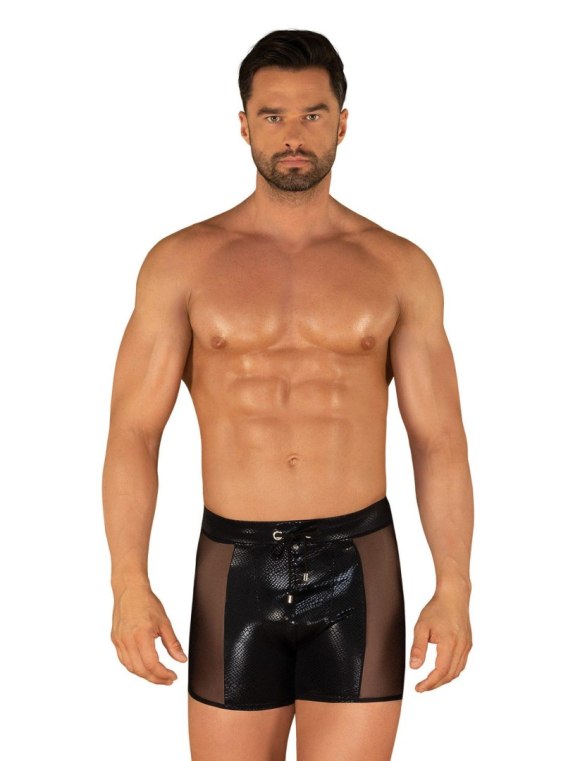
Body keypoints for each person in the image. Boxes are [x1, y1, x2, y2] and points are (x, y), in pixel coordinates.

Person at [102, 28, 474, 761]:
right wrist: (127, 583)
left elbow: (439, 439)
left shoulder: (398, 267)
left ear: (343, 122)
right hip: (233, 565)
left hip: (359, 564)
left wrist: (455, 584)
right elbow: (133, 434)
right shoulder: (182, 263)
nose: (293, 134)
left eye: (312, 113)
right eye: (273, 115)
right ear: (244, 124)